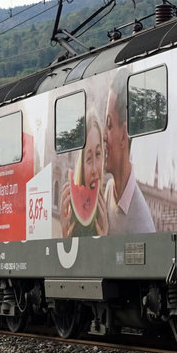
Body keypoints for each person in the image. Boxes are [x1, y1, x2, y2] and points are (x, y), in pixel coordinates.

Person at [103, 79, 155, 234]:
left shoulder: (143, 226)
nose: (104, 135)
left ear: (124, 137)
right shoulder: (109, 189)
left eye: (109, 125)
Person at [59, 110, 109, 237]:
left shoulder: (109, 212)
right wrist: (65, 234)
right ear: (81, 164)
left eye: (98, 154)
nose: (94, 169)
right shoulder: (72, 215)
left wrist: (105, 241)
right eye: (88, 159)